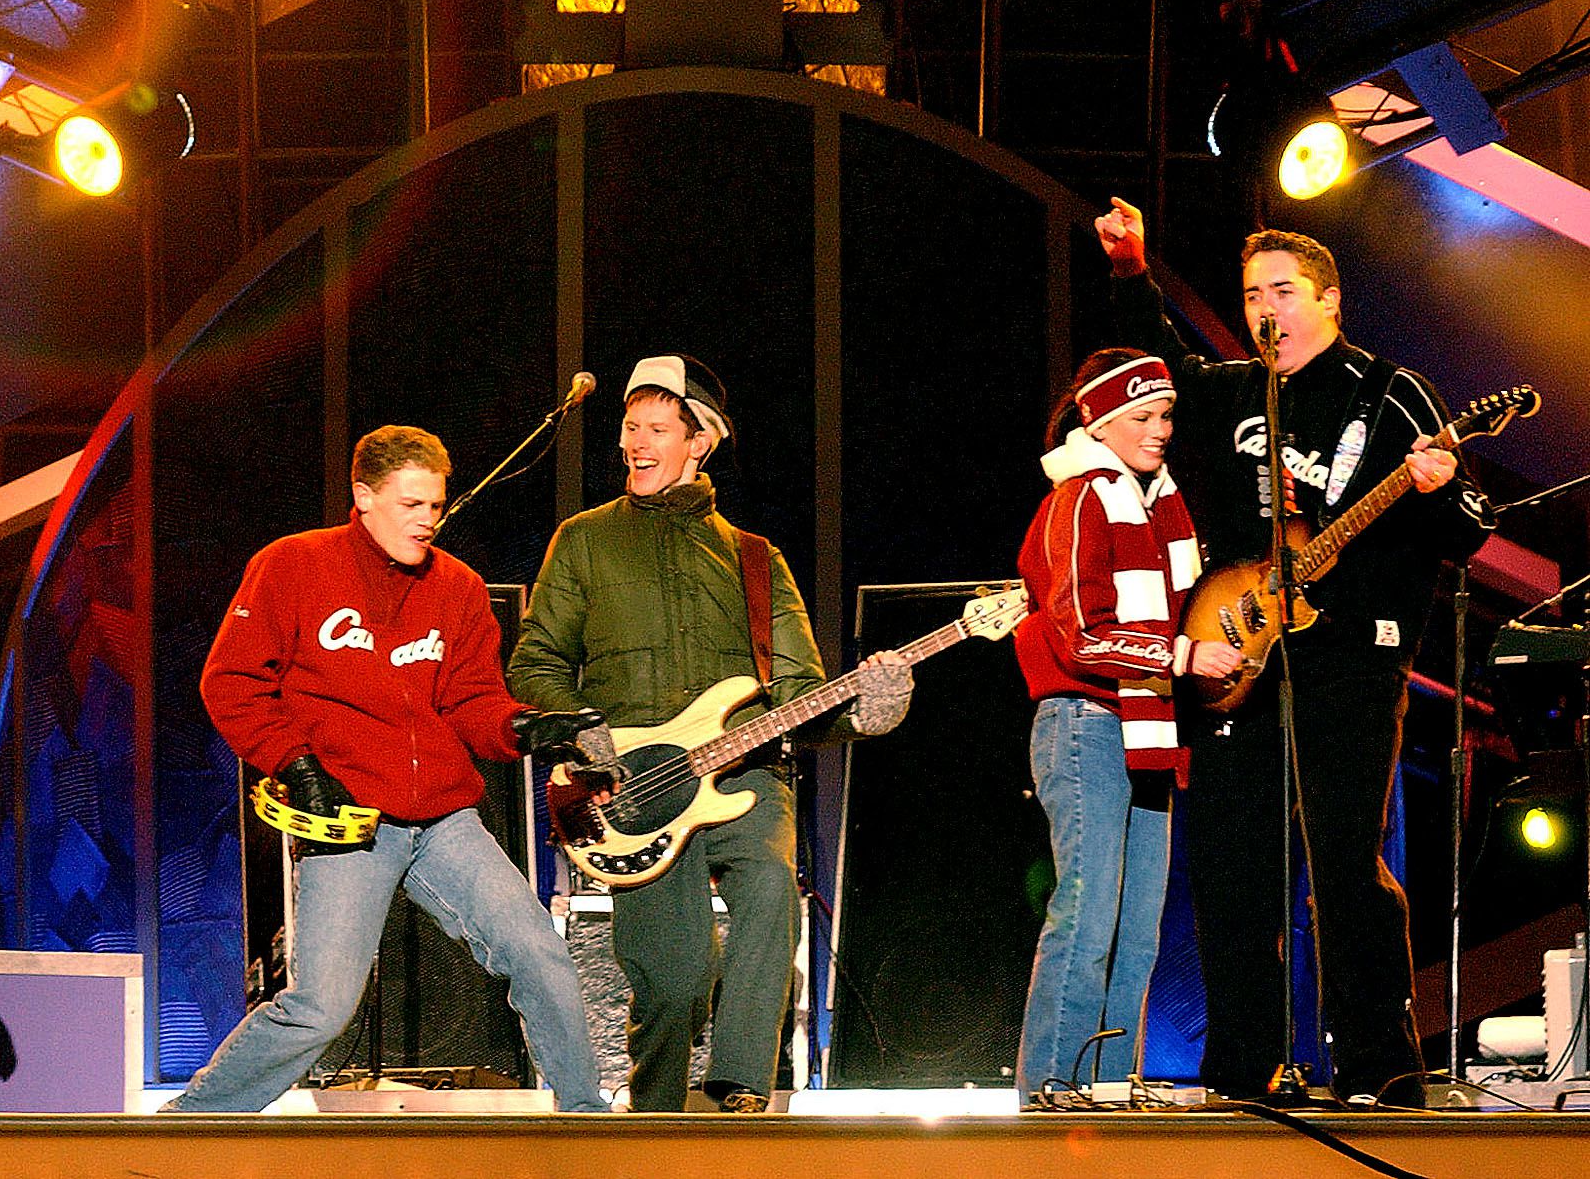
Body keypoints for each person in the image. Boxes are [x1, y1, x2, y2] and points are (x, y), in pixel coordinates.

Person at [1096, 199, 1493, 1106]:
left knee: (1346, 862)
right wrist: (1130, 268)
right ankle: (1242, 1065)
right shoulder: (1236, 390)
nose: (1264, 308)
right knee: (1234, 868)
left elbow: (1470, 530)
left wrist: (1432, 490)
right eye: (1250, 294)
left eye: (1283, 290)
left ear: (1329, 299)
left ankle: (1381, 1063)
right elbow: (1157, 355)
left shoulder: (1390, 394)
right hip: (1240, 656)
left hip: (1350, 661)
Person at [506, 355, 913, 1114]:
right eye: (631, 428)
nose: (636, 443)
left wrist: (866, 711)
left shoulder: (755, 558)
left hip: (745, 771)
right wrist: (580, 731)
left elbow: (800, 692)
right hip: (631, 787)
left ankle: (739, 1090)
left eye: (657, 429)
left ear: (700, 442)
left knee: (768, 884)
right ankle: (654, 1115)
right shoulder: (584, 541)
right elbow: (535, 661)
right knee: (677, 977)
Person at [161, 425, 608, 1113]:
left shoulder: (455, 586)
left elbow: (471, 701)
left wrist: (524, 728)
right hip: (350, 824)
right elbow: (231, 683)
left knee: (539, 953)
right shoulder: (293, 565)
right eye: (410, 505)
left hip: (444, 819)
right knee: (320, 1008)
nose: (427, 521)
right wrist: (295, 762)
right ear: (363, 496)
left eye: (435, 505)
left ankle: (586, 1124)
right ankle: (192, 1123)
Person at [1011, 349, 1243, 1102]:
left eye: (1166, 415)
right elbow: (1079, 630)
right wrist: (1183, 653)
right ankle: (1054, 1080)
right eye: (1142, 417)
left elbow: (1188, 603)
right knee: (1087, 908)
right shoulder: (1079, 500)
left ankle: (1106, 1084)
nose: (1161, 429)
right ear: (1099, 421)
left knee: (1137, 922)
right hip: (1085, 723)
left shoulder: (1159, 505)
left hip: (1147, 726)